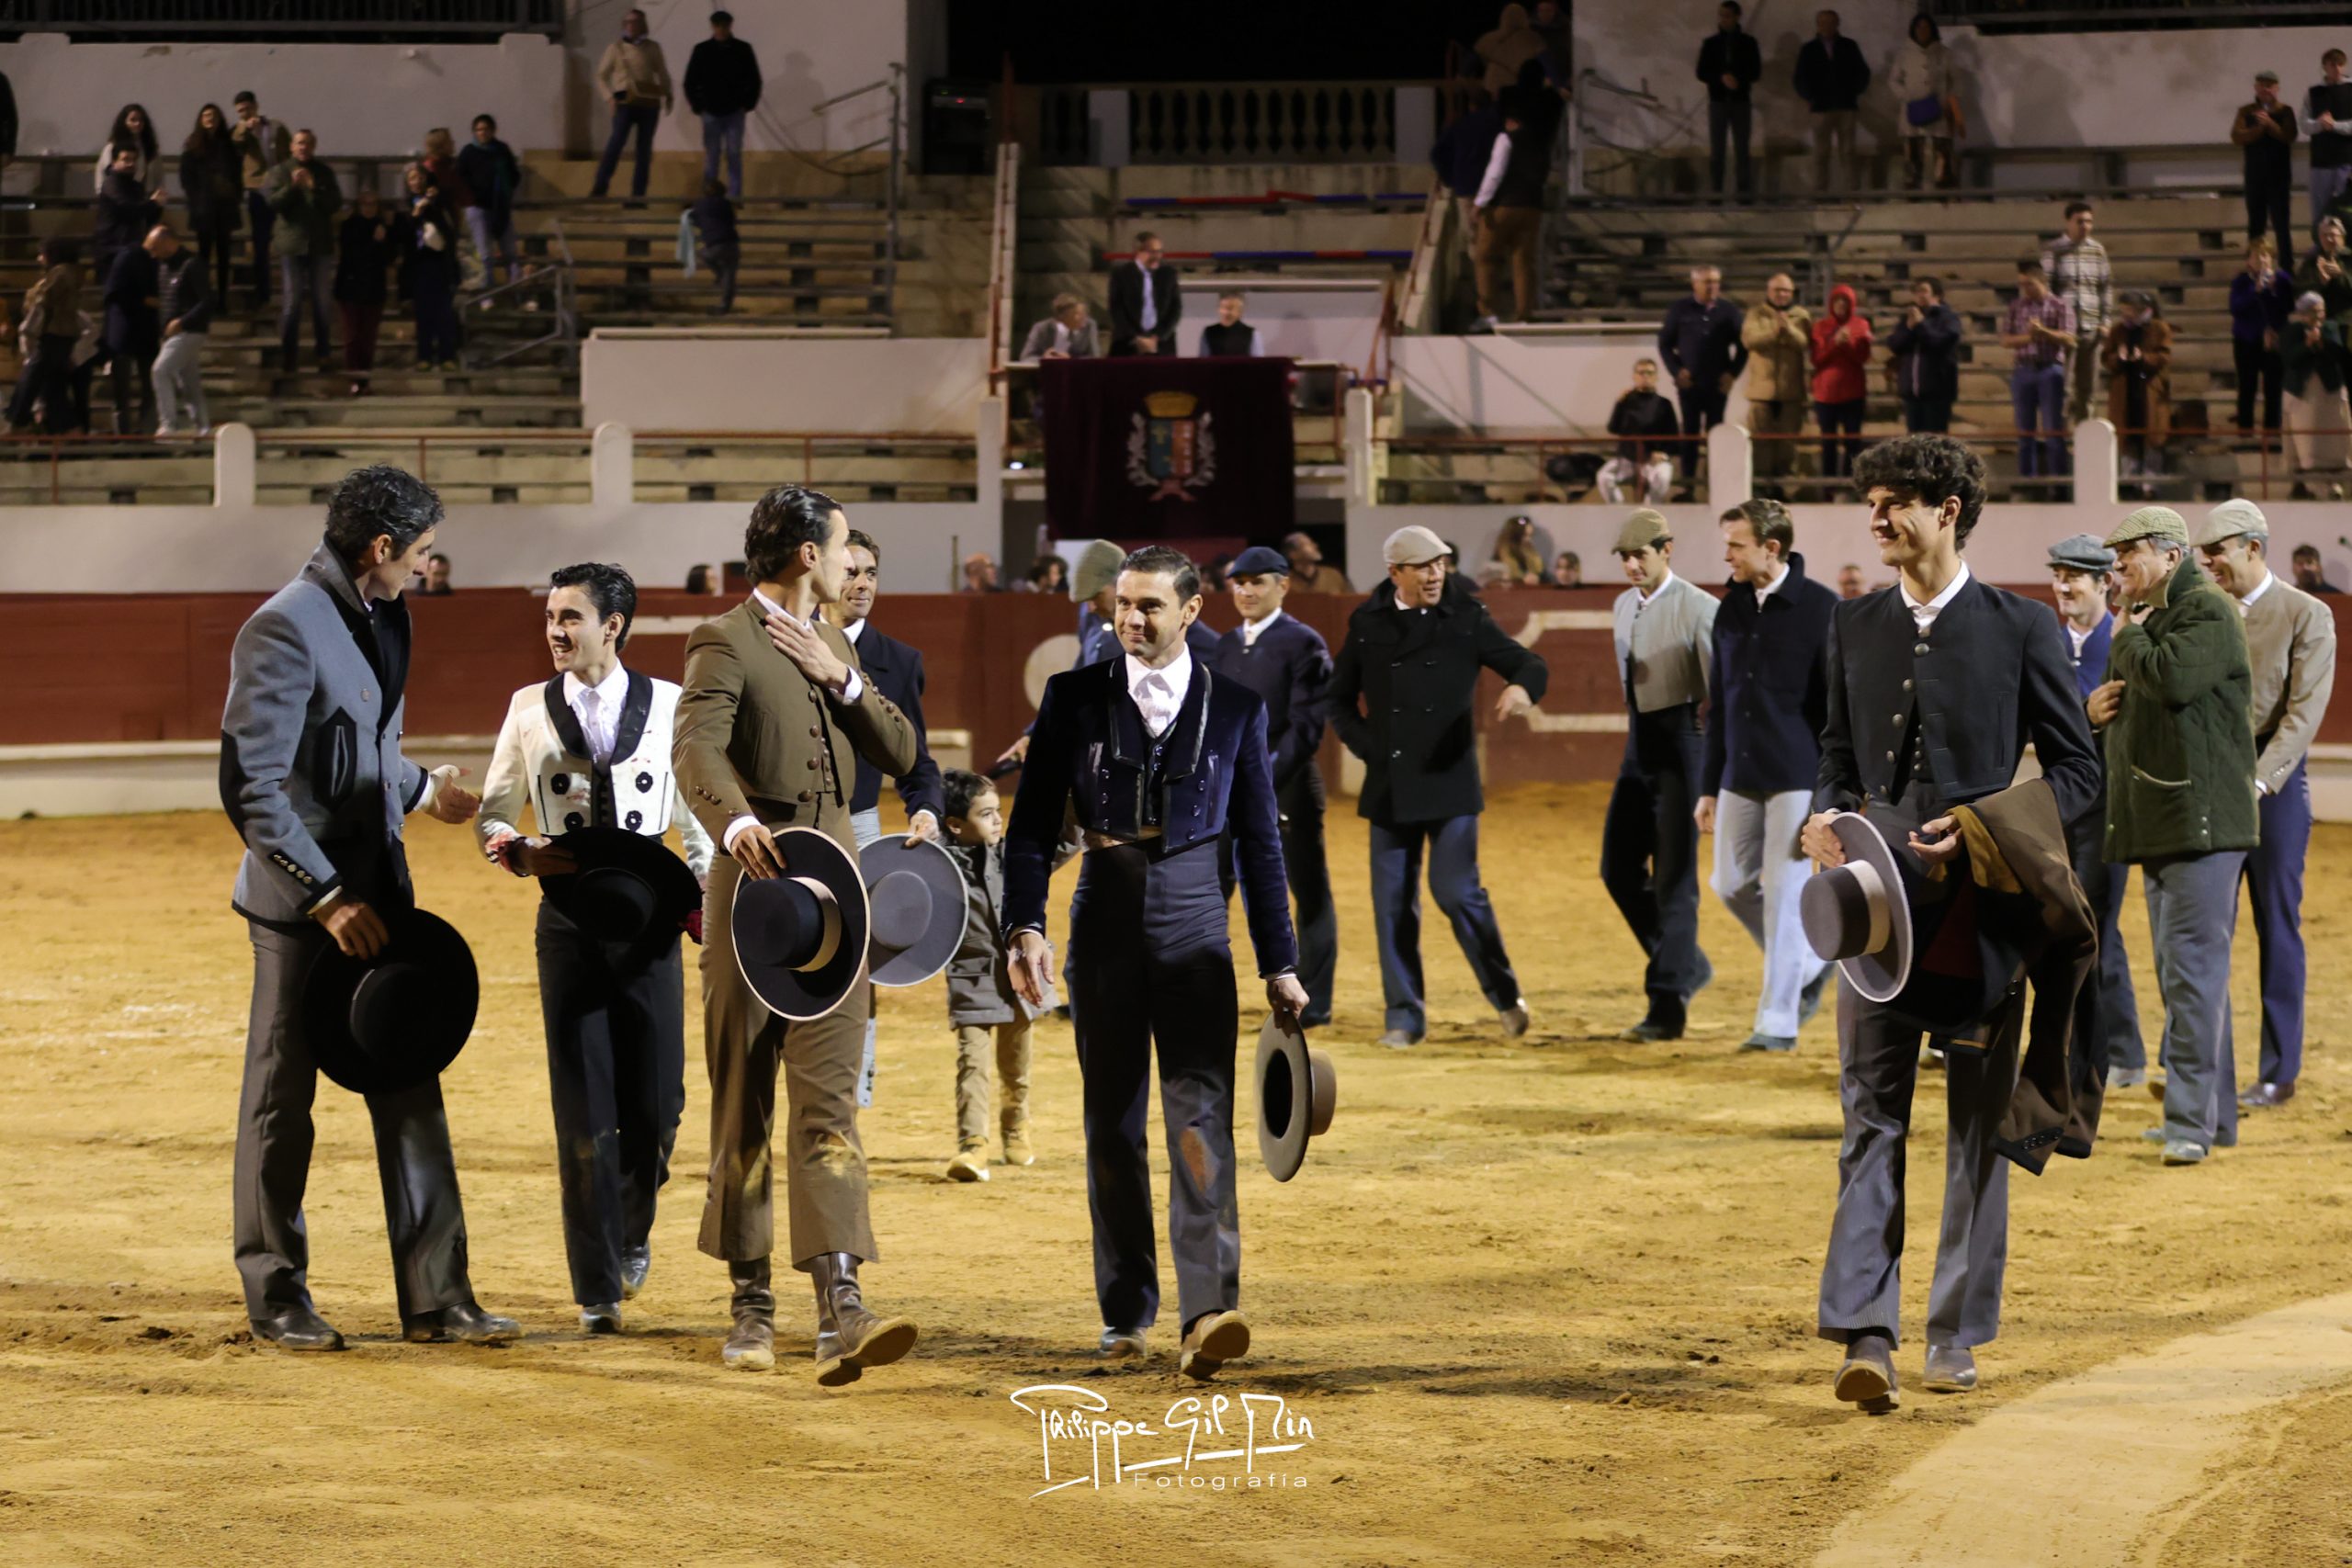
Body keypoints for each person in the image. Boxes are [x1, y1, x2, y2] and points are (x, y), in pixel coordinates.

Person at [1802, 433, 2099, 1412]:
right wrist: (1821, 816)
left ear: (1949, 510)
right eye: (1873, 503)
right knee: (1868, 1113)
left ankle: (1954, 1332)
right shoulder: (1851, 624)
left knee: (1972, 1124)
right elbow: (1838, 760)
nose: (1878, 519)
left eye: (1897, 502)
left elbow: (2075, 771)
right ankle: (1868, 1334)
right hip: (1874, 913)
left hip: (1982, 910)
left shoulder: (2018, 627)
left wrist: (1975, 827)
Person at [220, 463, 514, 1352]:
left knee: (409, 1080)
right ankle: (275, 1295)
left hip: (379, 889)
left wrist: (427, 792)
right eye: (422, 552)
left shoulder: (387, 615)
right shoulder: (280, 627)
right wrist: (325, 897)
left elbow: (362, 744)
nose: (430, 566)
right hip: (306, 907)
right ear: (380, 548)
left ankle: (438, 1297)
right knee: (283, 1095)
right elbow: (250, 786)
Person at [1002, 545, 1306, 1377]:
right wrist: (1024, 923)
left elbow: (1260, 843)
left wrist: (1280, 960)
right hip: (1102, 904)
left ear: (1192, 611)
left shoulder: (1237, 708)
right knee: (1111, 1121)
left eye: (1148, 607)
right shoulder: (1070, 697)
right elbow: (1029, 831)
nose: (1130, 620)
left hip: (1196, 907)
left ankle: (1208, 1310)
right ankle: (1125, 1311)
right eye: (1121, 607)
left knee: (1199, 1116)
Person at [672, 484, 922, 1384]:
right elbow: (695, 746)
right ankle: (750, 1302)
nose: (855, 562)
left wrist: (839, 675)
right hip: (755, 895)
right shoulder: (725, 638)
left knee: (830, 1105)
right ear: (808, 555)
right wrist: (733, 821)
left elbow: (900, 752)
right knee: (744, 1102)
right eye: (844, 546)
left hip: (838, 902)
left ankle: (839, 1303)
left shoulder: (837, 644)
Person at [477, 562, 714, 1334]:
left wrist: (707, 900)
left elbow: (700, 819)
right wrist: (515, 849)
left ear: (614, 625)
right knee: (581, 1110)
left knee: (659, 1106)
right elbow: (493, 815)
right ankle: (597, 1287)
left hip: (651, 926)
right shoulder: (526, 708)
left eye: (570, 617)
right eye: (550, 616)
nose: (554, 629)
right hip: (570, 924)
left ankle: (631, 1231)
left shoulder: (672, 706)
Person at [1331, 525, 1545, 1046]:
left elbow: (1526, 661)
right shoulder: (1367, 622)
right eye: (1423, 567)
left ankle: (1503, 991)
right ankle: (1404, 1016)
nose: (1434, 575)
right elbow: (1338, 701)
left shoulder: (1466, 616)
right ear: (1395, 573)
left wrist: (1520, 687)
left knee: (1456, 893)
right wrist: (1371, 749)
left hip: (1449, 782)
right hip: (1390, 786)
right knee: (1391, 904)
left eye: (1440, 564)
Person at [2087, 508, 2256, 1167]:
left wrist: (2125, 632)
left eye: (2127, 555)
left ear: (2169, 554)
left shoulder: (2205, 611)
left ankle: (2190, 1121)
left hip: (2199, 825)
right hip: (2171, 821)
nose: (2118, 567)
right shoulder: (2164, 615)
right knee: (2192, 975)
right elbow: (2138, 696)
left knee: (2190, 973)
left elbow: (2170, 679)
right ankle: (2211, 1117)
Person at [2194, 501, 2337, 1111]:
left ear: (2254, 547)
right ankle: (2207, 1073)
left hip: (2271, 788)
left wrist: (2256, 781)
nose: (2210, 564)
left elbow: (2304, 713)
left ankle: (2279, 1071)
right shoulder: (2204, 611)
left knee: (2276, 925)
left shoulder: (2309, 613)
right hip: (2209, 778)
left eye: (2218, 552)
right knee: (2203, 930)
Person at [1696, 499, 1836, 1053]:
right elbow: (1720, 704)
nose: (1726, 554)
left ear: (1770, 548)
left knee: (1783, 896)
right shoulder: (1728, 610)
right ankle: (1806, 962)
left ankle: (1777, 1021)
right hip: (1738, 772)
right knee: (1729, 884)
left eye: (1736, 544)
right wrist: (1709, 785)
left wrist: (1831, 790)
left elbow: (1834, 710)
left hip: (1798, 774)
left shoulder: (1822, 608)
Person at [824, 526, 946, 1111]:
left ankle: (854, 1090)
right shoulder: (783, 645)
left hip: (863, 823)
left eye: (871, 572)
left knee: (859, 966)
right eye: (850, 571)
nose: (862, 583)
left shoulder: (899, 661)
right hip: (790, 827)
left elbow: (915, 758)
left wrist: (925, 806)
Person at [1600, 510, 1718, 1042]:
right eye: (1624, 557)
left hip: (1684, 748)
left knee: (1674, 880)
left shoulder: (1700, 609)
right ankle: (1685, 963)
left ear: (1666, 550)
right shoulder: (1623, 606)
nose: (1631, 565)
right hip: (1638, 747)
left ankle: (1667, 1004)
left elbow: (1720, 697)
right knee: (1617, 869)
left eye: (1639, 554)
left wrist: (1716, 772)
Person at [1212, 544, 1339, 1029]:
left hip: (1286, 785)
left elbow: (1306, 727)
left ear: (1283, 585)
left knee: (1307, 890)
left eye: (1257, 581)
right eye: (1238, 582)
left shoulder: (1303, 642)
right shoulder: (1226, 645)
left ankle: (1316, 1000)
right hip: (1229, 790)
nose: (1246, 590)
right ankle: (1207, 987)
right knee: (1213, 887)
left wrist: (1259, 778)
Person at [2045, 533, 2145, 1094]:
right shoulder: (2048, 644)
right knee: (2071, 929)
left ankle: (2115, 1051)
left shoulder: (2124, 644)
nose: (2063, 586)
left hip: (2111, 808)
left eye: (2074, 576)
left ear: (2104, 584)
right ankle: (2100, 1050)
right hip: (2060, 808)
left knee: (2094, 929)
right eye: (2058, 574)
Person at [936, 769, 1054, 1183]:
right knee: (973, 1064)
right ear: (954, 825)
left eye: (998, 812)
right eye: (986, 814)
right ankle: (973, 1147)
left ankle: (1015, 1129)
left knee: (1016, 1066)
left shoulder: (1015, 855)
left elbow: (1059, 842)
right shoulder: (937, 864)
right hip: (972, 977)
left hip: (1024, 977)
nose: (998, 821)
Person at [1468, 70, 1559, 330]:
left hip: (1505, 205)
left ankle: (1487, 312)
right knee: (1523, 261)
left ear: (1510, 121)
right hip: (1533, 207)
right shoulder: (1541, 144)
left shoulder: (1506, 139)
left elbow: (1495, 174)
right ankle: (1524, 315)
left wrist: (1479, 204)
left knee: (1485, 257)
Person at [267, 129, 340, 376]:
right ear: (291, 146)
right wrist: (293, 187)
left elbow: (334, 204)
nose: (303, 148)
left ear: (314, 145)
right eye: (299, 143)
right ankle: (289, 356)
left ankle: (323, 353)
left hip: (320, 245)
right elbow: (273, 203)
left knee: (322, 302)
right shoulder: (280, 171)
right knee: (292, 302)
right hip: (292, 245)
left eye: (308, 143)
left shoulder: (324, 172)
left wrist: (314, 187)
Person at [2001, 260, 2075, 484]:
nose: (2026, 289)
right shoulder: (2017, 307)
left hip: (2049, 369)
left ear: (2042, 282)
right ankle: (2027, 480)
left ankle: (2057, 481)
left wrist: (2044, 332)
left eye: (2030, 284)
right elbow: (2006, 340)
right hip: (2024, 370)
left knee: (2053, 429)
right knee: (2025, 430)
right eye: (2022, 285)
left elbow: (2070, 339)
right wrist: (2030, 337)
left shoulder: (2059, 305)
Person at [2044, 201, 2112, 428]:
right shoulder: (2054, 250)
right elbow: (2047, 289)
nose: (2085, 226)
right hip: (2065, 331)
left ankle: (2086, 437)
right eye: (2080, 221)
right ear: (2068, 222)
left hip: (2091, 329)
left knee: (2088, 389)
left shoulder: (2098, 250)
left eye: (2089, 221)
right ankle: (2061, 440)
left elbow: (2105, 287)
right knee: (2063, 388)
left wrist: (2106, 321)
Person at [594, 8, 673, 199]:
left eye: (636, 22)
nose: (632, 25)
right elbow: (601, 76)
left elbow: (662, 72)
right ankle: (600, 188)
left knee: (644, 150)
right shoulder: (615, 48)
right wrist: (609, 98)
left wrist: (669, 94)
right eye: (628, 22)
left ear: (643, 24)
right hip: (624, 101)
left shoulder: (653, 47)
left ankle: (638, 195)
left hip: (648, 102)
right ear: (624, 25)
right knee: (615, 145)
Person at [1658, 265, 1744, 443]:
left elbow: (1744, 346)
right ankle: (1688, 471)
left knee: (1716, 433)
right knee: (1690, 433)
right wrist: (1676, 370)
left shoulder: (1729, 311)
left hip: (1718, 383)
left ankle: (1714, 471)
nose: (1712, 286)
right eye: (1707, 282)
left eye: (1716, 282)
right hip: (1690, 384)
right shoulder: (1679, 309)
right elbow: (1665, 344)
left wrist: (1733, 373)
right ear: (1695, 284)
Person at [1742, 273, 1811, 488]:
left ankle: (1783, 486)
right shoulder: (1756, 314)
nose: (1782, 295)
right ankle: (1762, 486)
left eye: (1786, 291)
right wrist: (1774, 331)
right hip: (1761, 393)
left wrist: (1788, 330)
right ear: (1768, 291)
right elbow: (1750, 340)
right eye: (1777, 290)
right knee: (1761, 442)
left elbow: (1804, 342)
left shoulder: (1801, 316)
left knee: (1787, 443)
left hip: (1791, 392)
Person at [8, 240, 84, 434]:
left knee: (31, 377)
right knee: (53, 386)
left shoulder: (60, 273)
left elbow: (44, 300)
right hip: (63, 335)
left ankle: (16, 423)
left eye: (42, 254)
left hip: (53, 334)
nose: (39, 258)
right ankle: (71, 430)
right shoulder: (72, 272)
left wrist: (33, 297)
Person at [684, 9, 762, 201]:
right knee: (712, 156)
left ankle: (735, 197)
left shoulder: (743, 49)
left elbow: (754, 79)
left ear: (730, 26)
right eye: (718, 26)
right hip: (710, 111)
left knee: (734, 154)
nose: (721, 29)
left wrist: (748, 104)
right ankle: (710, 197)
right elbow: (690, 81)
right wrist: (698, 105)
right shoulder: (702, 50)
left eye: (724, 26)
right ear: (713, 26)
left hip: (735, 110)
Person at [334, 187, 401, 398]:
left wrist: (384, 240)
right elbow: (353, 257)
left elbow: (389, 258)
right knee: (352, 336)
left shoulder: (382, 227)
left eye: (373, 204)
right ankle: (354, 380)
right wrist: (375, 243)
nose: (368, 208)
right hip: (351, 287)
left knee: (368, 338)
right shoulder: (350, 226)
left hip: (374, 289)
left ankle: (365, 380)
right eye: (365, 203)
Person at [1793, 10, 1870, 193]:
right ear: (1817, 25)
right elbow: (1799, 78)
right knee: (1821, 153)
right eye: (1822, 22)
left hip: (1846, 106)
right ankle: (1821, 193)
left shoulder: (1849, 46)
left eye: (1830, 22)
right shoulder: (1809, 49)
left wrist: (1853, 92)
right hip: (1820, 107)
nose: (1826, 26)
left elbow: (1863, 72)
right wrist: (1809, 96)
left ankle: (1851, 193)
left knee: (1848, 152)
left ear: (1837, 24)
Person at [2279, 289, 2350, 483]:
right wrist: (2307, 345)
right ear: (2303, 314)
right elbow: (2290, 359)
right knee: (2308, 442)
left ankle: (2337, 479)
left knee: (2334, 439)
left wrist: (2321, 343)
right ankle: (2308, 482)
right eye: (2314, 312)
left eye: (2321, 311)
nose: (2319, 316)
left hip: (2329, 389)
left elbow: (2338, 355)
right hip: (2302, 392)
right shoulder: (2291, 331)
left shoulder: (2331, 328)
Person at [100, 219, 164, 435]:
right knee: (122, 391)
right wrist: (147, 301)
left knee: (149, 386)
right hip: (124, 332)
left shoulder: (156, 261)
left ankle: (145, 433)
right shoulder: (128, 258)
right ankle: (124, 435)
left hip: (145, 332)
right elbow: (114, 294)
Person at [2102, 292, 2173, 479]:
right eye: (2123, 309)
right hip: (2125, 390)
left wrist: (2144, 358)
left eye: (2129, 309)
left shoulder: (2159, 328)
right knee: (2128, 436)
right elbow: (2106, 357)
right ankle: (2129, 481)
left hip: (2149, 389)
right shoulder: (2118, 330)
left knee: (2152, 437)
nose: (2125, 313)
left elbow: (2164, 356)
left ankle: (2150, 483)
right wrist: (2119, 358)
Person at [1697, 1, 1763, 200]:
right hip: (1718, 102)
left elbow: (1755, 71)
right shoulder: (1711, 44)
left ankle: (1743, 193)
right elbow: (1701, 71)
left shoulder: (1748, 42)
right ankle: (1716, 193)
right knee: (1717, 150)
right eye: (1721, 15)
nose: (1723, 19)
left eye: (1727, 15)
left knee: (1742, 149)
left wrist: (1738, 80)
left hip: (1741, 101)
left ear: (1736, 17)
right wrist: (1720, 77)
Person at [178, 104, 242, 310]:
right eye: (206, 115)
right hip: (203, 209)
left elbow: (237, 175)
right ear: (200, 119)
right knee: (203, 256)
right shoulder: (193, 146)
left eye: (213, 116)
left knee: (225, 256)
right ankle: (204, 298)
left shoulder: (228, 146)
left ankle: (222, 299)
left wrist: (235, 195)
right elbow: (186, 178)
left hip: (225, 209)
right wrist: (197, 199)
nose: (210, 119)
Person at [2235, 71, 2300, 274]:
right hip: (2255, 176)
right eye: (2261, 85)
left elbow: (2289, 135)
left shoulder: (2285, 111)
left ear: (2277, 88)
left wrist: (2269, 124)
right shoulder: (2246, 111)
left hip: (2279, 176)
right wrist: (2258, 129)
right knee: (2256, 224)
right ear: (2256, 88)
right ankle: (2255, 266)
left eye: (2269, 85)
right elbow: (2237, 136)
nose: (2265, 89)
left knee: (2282, 224)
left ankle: (2287, 268)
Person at [232, 91, 290, 309]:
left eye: (248, 109)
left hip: (280, 187)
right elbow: (235, 143)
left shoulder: (276, 127)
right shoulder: (239, 132)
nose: (246, 114)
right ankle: (263, 293)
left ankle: (288, 291)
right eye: (240, 112)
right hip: (257, 190)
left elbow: (290, 150)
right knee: (260, 242)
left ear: (256, 106)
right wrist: (245, 128)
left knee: (285, 239)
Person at [1889, 14, 1960, 192]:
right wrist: (1908, 96)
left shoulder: (1945, 53)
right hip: (1913, 109)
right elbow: (1893, 81)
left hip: (1939, 109)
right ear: (1913, 30)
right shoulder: (1904, 54)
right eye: (1919, 27)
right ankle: (1913, 191)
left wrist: (1947, 100)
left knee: (1942, 150)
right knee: (1912, 151)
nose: (1923, 31)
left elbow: (1957, 81)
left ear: (1933, 30)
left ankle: (1946, 191)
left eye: (1926, 27)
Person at [151, 225, 209, 438]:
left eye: (155, 248)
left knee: (160, 371)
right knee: (189, 383)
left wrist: (182, 322)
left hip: (189, 331)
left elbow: (207, 301)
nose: (153, 254)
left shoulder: (192, 264)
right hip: (172, 334)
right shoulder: (164, 267)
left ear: (168, 242)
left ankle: (169, 426)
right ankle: (203, 429)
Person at [2232, 240, 2294, 437]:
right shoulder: (2241, 282)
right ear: (2248, 261)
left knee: (2273, 389)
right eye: (2256, 256)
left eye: (2265, 255)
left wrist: (2276, 290)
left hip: (2273, 341)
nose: (2261, 259)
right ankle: (2245, 433)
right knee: (2247, 387)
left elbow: (2290, 307)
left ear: (2272, 258)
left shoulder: (2282, 279)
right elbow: (2235, 308)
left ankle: (2272, 434)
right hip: (2246, 340)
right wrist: (2254, 291)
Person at [403, 164, 462, 371]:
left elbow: (449, 229)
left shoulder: (439, 202)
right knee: (423, 313)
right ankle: (424, 356)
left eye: (420, 177)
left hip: (439, 261)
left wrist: (433, 202)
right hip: (419, 263)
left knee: (444, 312)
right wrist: (416, 213)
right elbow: (405, 235)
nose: (416, 182)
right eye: (412, 178)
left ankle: (447, 356)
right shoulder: (405, 205)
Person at [1810, 283, 1871, 481]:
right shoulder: (1821, 327)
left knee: (1853, 441)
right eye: (1837, 300)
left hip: (1853, 393)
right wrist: (1834, 343)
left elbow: (1862, 357)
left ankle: (1849, 484)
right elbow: (1817, 359)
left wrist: (1848, 345)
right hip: (1825, 395)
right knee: (1828, 442)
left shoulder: (1861, 325)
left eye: (1845, 301)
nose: (1841, 305)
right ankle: (1828, 486)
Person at [456, 115, 523, 293]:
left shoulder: (501, 150)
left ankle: (517, 292)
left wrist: (504, 191)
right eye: (478, 129)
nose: (482, 132)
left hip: (500, 207)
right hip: (478, 207)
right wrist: (473, 194)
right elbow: (460, 177)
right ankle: (487, 294)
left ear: (493, 130)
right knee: (484, 253)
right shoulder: (468, 152)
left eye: (486, 129)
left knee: (510, 252)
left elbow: (513, 174)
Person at [1887, 276, 1962, 434]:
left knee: (1935, 442)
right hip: (1912, 392)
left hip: (1937, 392)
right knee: (1914, 442)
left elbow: (1939, 342)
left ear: (1937, 295)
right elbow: (1895, 345)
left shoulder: (1948, 318)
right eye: (1916, 292)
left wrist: (1922, 325)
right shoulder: (1909, 319)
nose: (1919, 295)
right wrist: (1909, 328)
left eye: (1924, 291)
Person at [92, 145, 160, 304]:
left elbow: (146, 215)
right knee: (116, 298)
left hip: (131, 245)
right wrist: (152, 203)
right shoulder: (111, 183)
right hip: (112, 247)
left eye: (133, 160)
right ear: (114, 162)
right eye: (125, 159)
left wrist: (158, 205)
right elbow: (127, 209)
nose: (130, 164)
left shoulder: (136, 186)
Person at [1108, 231, 1180, 356]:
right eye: (1152, 252)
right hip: (1127, 344)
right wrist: (1136, 338)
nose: (1157, 256)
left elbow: (1175, 309)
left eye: (1159, 251)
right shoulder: (1121, 274)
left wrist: (1157, 337)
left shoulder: (1169, 274)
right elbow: (1116, 309)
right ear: (1137, 252)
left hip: (1162, 345)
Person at [2307, 49, 2352, 243]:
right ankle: (2320, 254)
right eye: (2332, 64)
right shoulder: (2314, 92)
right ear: (2324, 66)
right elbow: (2304, 124)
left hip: (2346, 161)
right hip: (2321, 162)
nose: (2336, 68)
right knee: (2320, 213)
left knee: (2346, 212)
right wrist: (2320, 124)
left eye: (2340, 64)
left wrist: (2334, 125)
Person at [689, 180, 741, 314]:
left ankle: (719, 274)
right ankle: (725, 305)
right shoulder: (726, 204)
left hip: (715, 244)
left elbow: (694, 220)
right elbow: (732, 220)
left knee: (702, 254)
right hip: (732, 243)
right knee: (730, 275)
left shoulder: (700, 205)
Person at [2293, 216, 2352, 320]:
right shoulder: (2311, 262)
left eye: (2333, 235)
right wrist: (2320, 283)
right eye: (2324, 235)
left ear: (2342, 238)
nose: (2328, 239)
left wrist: (2340, 275)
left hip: (2347, 320)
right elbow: (2300, 293)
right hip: (2320, 322)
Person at [96, 103, 160, 191]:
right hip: (118, 197)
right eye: (133, 120)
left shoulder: (150, 148)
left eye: (141, 120)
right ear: (124, 122)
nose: (137, 123)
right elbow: (105, 174)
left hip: (145, 198)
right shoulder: (112, 147)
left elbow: (158, 177)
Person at [1021, 292, 1099, 359]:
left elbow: (1095, 357)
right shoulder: (1041, 328)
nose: (1083, 317)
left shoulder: (1089, 325)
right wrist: (1044, 359)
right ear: (1062, 316)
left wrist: (1071, 360)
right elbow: (1025, 358)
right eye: (1077, 314)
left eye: (1084, 313)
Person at [1283, 530, 1355, 593]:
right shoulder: (1285, 582)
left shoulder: (1334, 576)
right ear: (1293, 555)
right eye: (1307, 544)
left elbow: (1351, 601)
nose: (1315, 546)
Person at [1199, 289, 1265, 355]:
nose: (1226, 312)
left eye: (1230, 308)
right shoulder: (1208, 332)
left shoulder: (1253, 334)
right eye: (1223, 307)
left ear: (1240, 311)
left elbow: (1259, 362)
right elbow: (1203, 361)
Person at [1491, 514, 1547, 586]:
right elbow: (1511, 575)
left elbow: (1541, 571)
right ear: (1515, 535)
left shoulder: (1529, 549)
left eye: (1531, 536)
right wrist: (1524, 579)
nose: (1529, 540)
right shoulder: (1504, 552)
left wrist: (1538, 578)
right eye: (1525, 535)